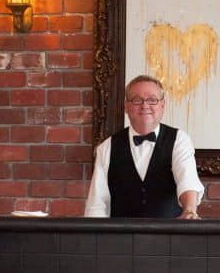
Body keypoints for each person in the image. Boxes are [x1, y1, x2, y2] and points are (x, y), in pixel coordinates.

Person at [84, 75, 204, 219]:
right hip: (121, 238)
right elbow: (97, 205)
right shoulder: (107, 147)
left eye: (152, 100)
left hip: (170, 237)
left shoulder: (179, 140)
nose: (145, 105)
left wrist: (189, 211)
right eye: (136, 100)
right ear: (126, 106)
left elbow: (187, 179)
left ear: (162, 105)